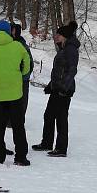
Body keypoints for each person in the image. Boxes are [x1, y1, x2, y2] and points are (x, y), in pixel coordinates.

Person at [0, 20, 32, 166]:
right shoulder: (17, 46)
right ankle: (21, 157)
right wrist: (22, 75)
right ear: (10, 31)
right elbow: (27, 62)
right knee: (18, 125)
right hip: (14, 92)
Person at [33, 21, 79, 157]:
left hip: (64, 90)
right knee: (49, 115)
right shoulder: (64, 48)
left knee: (61, 118)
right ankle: (47, 143)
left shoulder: (70, 49)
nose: (56, 36)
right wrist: (51, 85)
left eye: (59, 34)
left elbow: (72, 70)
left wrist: (64, 87)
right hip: (57, 88)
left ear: (64, 36)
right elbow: (59, 71)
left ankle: (61, 148)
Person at [10, 22, 34, 115]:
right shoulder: (20, 44)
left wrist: (23, 75)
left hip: (21, 79)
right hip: (20, 78)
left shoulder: (20, 45)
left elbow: (29, 63)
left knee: (20, 101)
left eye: (12, 30)